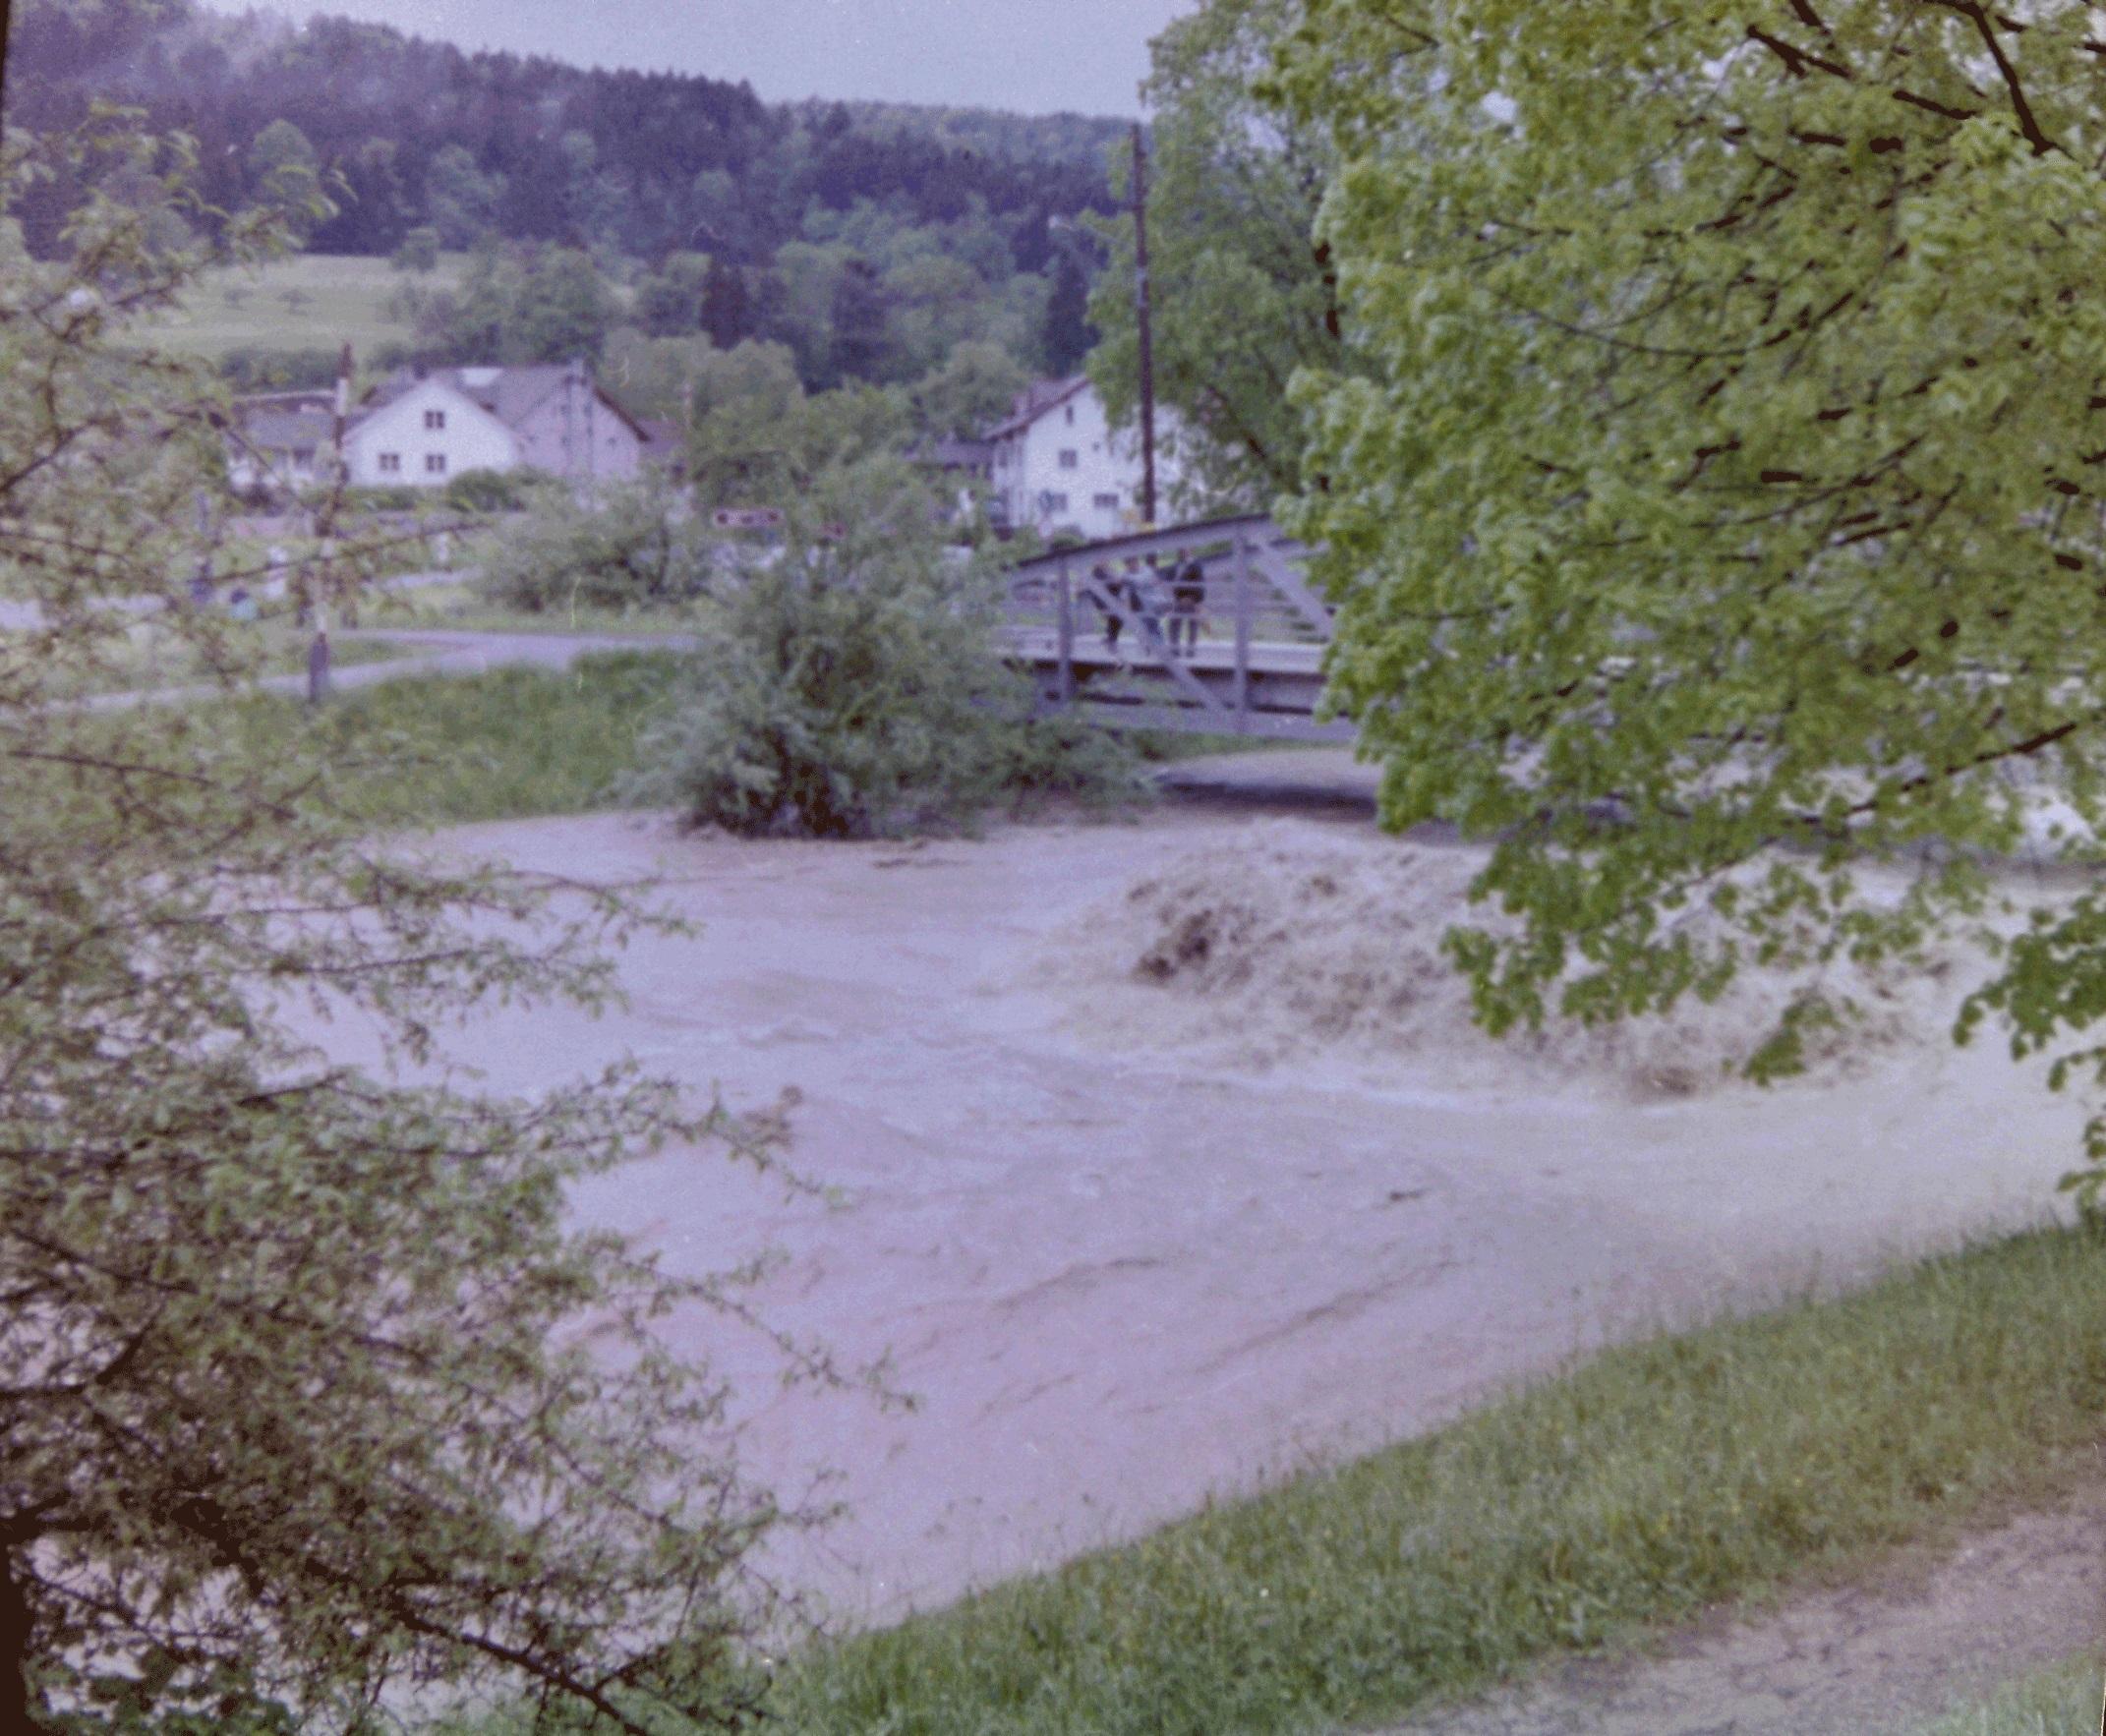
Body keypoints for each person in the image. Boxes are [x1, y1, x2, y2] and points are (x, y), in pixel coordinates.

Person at [1168, 553, 1206, 658]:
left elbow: (1200, 583)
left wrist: (1197, 601)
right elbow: (1174, 583)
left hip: (1191, 599)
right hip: (1180, 600)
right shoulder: (1177, 565)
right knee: (1174, 623)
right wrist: (1177, 598)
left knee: (1193, 625)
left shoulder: (1196, 565)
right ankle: (1175, 651)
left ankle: (1190, 652)